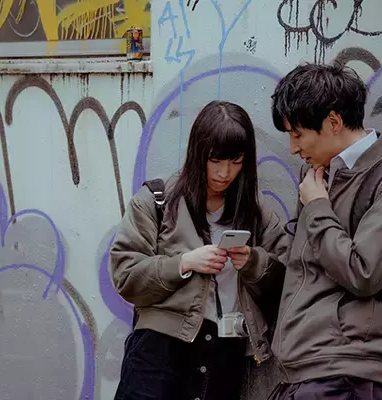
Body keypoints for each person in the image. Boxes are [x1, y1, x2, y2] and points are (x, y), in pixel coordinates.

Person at [268, 63, 382, 399]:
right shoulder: (317, 176)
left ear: (333, 122)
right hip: (306, 367)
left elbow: (363, 273)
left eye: (297, 134)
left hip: (348, 371)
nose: (293, 149)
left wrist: (317, 207)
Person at [109, 100, 289, 400]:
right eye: (215, 160)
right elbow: (125, 276)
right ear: (197, 152)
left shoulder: (257, 212)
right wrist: (184, 263)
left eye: (236, 161)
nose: (224, 172)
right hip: (159, 350)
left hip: (226, 353)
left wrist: (253, 262)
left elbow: (287, 284)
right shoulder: (157, 200)